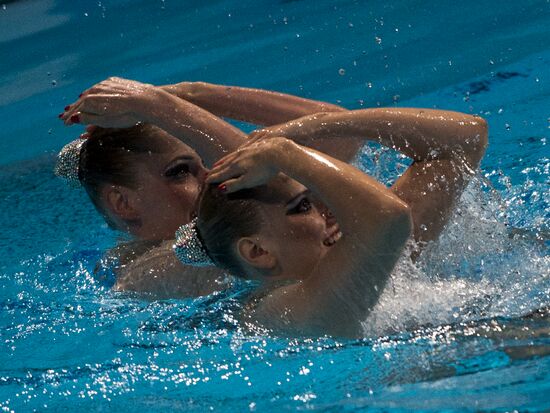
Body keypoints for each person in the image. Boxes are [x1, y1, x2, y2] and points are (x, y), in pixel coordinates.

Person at [174, 106, 487, 336]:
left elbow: (464, 140)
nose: (331, 211)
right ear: (258, 251)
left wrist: (307, 129)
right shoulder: (279, 313)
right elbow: (388, 216)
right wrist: (283, 152)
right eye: (303, 205)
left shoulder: (368, 259)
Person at [57, 77, 348, 297]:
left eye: (205, 162)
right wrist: (157, 106)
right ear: (123, 203)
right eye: (180, 171)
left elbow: (344, 134)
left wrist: (191, 95)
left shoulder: (261, 231)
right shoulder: (150, 270)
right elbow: (277, 178)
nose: (212, 176)